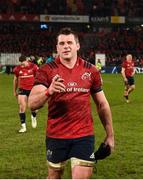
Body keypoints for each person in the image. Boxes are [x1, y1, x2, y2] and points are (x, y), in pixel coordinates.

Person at [28, 27, 114, 179]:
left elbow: (102, 104)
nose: (66, 46)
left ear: (77, 45)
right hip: (56, 135)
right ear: (57, 47)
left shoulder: (91, 70)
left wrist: (110, 135)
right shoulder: (46, 70)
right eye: (61, 43)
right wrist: (49, 91)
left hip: (84, 135)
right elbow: (32, 104)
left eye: (69, 42)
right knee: (54, 176)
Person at [13, 55, 39, 133]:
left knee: (34, 107)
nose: (22, 64)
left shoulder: (34, 67)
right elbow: (15, 80)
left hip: (32, 89)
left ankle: (33, 116)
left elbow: (38, 77)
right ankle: (23, 127)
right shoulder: (17, 69)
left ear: (26, 60)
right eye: (20, 63)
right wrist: (14, 91)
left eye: (23, 62)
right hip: (22, 89)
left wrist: (38, 88)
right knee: (21, 107)